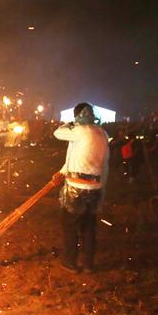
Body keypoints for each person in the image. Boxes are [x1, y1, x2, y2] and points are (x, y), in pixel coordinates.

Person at [54, 102, 109, 273]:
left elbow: (57, 133)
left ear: (77, 116)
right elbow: (80, 154)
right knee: (89, 227)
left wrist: (71, 123)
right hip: (96, 188)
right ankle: (88, 265)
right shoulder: (102, 133)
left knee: (69, 225)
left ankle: (70, 262)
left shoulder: (78, 131)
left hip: (76, 188)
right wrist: (62, 171)